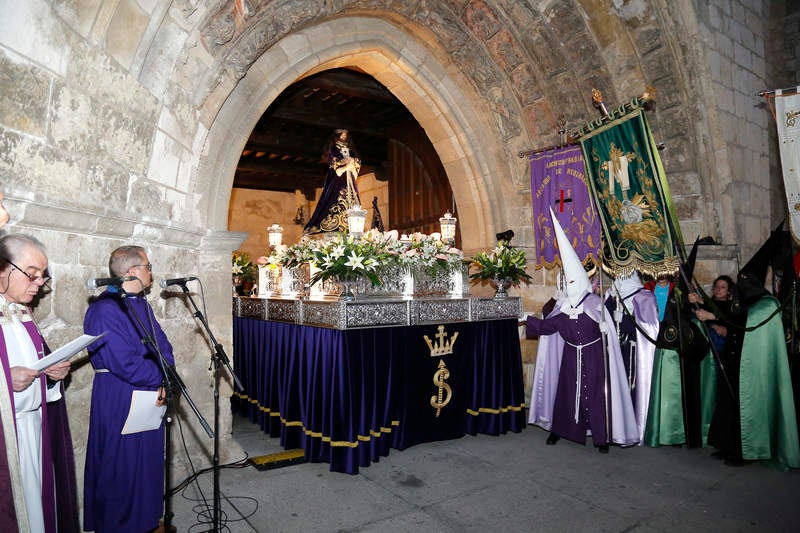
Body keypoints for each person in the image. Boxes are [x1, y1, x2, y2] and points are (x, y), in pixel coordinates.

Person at [525, 209, 638, 451]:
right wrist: (526, 319)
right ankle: (560, 430)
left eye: (576, 282)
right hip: (570, 357)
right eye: (569, 282)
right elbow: (547, 327)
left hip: (594, 356)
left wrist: (606, 327)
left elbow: (610, 331)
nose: (572, 286)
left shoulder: (595, 304)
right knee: (566, 393)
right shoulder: (563, 307)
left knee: (597, 395)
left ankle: (601, 437)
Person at [83, 245, 174, 532]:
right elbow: (123, 362)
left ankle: (145, 521)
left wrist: (166, 377)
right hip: (118, 395)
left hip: (149, 394)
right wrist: (160, 378)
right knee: (119, 465)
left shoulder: (141, 305)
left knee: (146, 461)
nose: (151, 273)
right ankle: (118, 525)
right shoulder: (103, 310)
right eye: (148, 267)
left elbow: (164, 346)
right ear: (132, 271)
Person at [0, 234, 79, 532]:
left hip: (33, 428)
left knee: (35, 510)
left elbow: (35, 366)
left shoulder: (23, 314)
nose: (39, 283)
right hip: (6, 436)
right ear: (2, 268)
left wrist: (53, 375)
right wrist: (6, 380)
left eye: (43, 276)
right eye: (32, 274)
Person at [707, 241, 800, 469]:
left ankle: (746, 451)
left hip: (753, 368)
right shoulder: (745, 303)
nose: (742, 285)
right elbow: (733, 319)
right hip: (734, 362)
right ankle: (728, 446)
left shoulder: (766, 305)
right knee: (729, 405)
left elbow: (742, 324)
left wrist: (711, 316)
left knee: (746, 408)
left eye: (745, 280)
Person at [604, 271, 659, 443]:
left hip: (633, 351)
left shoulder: (645, 297)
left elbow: (649, 328)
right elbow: (604, 314)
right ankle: (614, 426)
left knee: (630, 385)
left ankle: (632, 427)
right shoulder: (613, 295)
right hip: (615, 349)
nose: (619, 280)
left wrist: (626, 320)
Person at [303, 128, 362, 234]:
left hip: (349, 177)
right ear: (337, 135)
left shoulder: (349, 148)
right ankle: (334, 222)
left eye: (345, 135)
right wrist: (344, 162)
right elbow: (333, 160)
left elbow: (357, 159)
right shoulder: (334, 148)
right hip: (337, 177)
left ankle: (352, 224)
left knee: (351, 198)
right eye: (342, 135)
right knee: (333, 196)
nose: (344, 137)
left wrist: (353, 161)